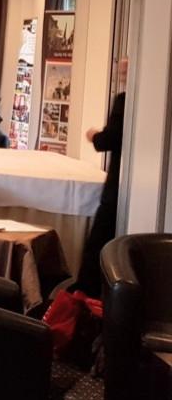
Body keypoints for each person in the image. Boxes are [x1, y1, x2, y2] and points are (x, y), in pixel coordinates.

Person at [75, 58, 128, 297]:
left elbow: (109, 139)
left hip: (118, 185)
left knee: (99, 242)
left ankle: (86, 297)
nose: (120, 74)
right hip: (126, 184)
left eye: (123, 70)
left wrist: (94, 135)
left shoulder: (125, 100)